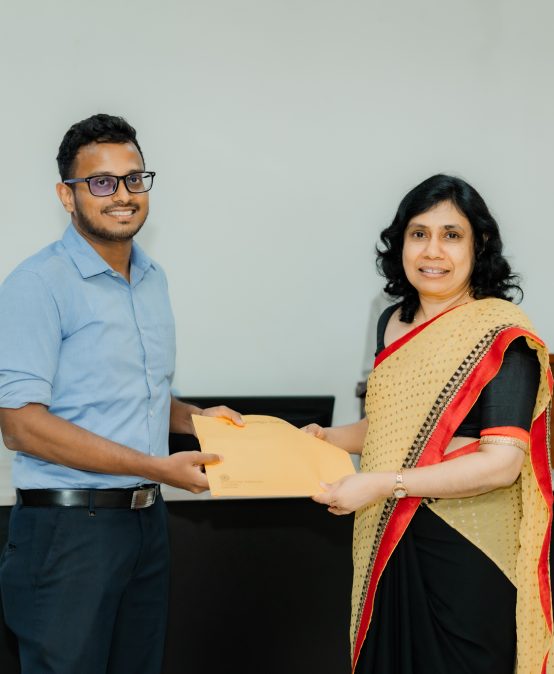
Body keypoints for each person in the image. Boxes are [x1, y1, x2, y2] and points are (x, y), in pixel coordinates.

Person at [0, 113, 242, 674]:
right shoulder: (36, 285)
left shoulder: (152, 278)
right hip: (66, 534)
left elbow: (136, 396)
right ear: (67, 195)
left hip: (145, 525)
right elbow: (20, 424)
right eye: (102, 182)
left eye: (134, 178)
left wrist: (198, 420)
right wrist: (156, 466)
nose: (123, 195)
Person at [306, 174, 553, 673]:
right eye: (419, 233)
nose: (432, 251)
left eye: (451, 235)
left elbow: (501, 465)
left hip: (467, 549)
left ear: (479, 244)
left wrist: (384, 484)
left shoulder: (502, 335)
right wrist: (326, 438)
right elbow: (389, 425)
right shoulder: (392, 321)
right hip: (388, 537)